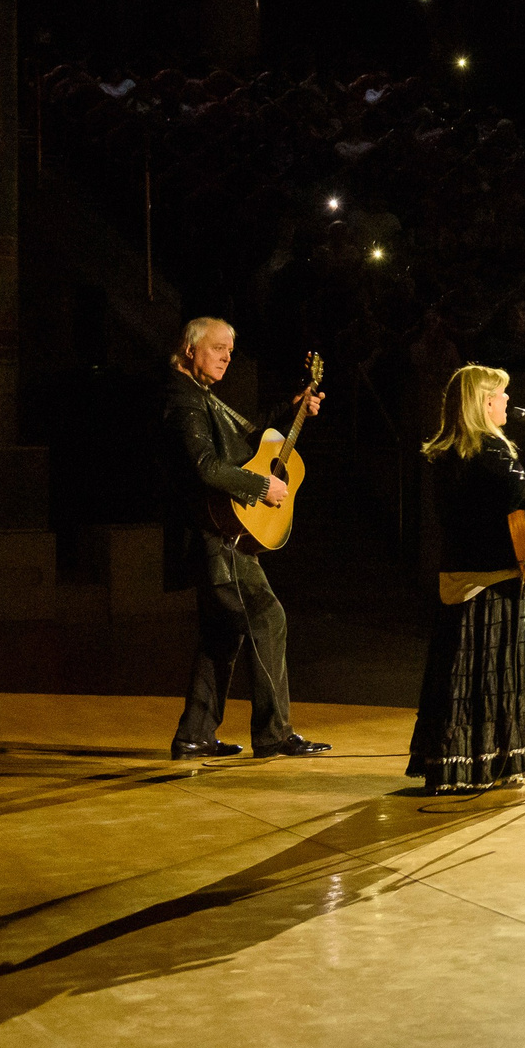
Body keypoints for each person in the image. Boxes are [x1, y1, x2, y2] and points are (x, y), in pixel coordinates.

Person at [162, 316, 328, 760]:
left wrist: (294, 408)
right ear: (191, 349)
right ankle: (274, 733)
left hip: (222, 536)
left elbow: (247, 442)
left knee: (221, 635)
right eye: (218, 348)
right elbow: (205, 466)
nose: (226, 357)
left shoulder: (201, 397)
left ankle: (194, 735)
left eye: (231, 351)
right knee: (268, 618)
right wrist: (260, 488)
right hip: (215, 539)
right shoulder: (184, 401)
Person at [409, 364, 525, 795]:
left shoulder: (452, 452)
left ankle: (459, 764)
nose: (507, 402)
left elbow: (501, 497)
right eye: (501, 394)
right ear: (483, 401)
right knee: (494, 673)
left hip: (461, 572)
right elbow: (522, 493)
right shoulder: (489, 450)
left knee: (461, 674)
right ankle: (492, 761)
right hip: (493, 578)